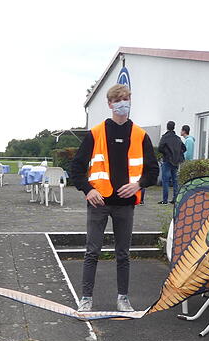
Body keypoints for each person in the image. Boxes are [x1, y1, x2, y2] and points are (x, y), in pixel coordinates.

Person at [70, 84, 159, 312]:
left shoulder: (140, 135)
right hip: (99, 202)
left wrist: (138, 185)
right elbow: (76, 168)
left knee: (123, 254)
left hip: (125, 205)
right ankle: (86, 298)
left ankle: (123, 298)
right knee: (92, 251)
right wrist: (88, 190)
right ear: (109, 104)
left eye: (126, 98)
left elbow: (152, 170)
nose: (122, 103)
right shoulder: (96, 133)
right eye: (118, 99)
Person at [158, 121, 186, 204]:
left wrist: (166, 153)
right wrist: (177, 154)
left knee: (165, 180)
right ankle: (175, 199)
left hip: (167, 160)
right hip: (176, 161)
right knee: (175, 180)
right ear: (174, 127)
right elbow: (184, 148)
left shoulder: (165, 137)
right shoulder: (178, 138)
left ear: (167, 127)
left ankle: (165, 200)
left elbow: (160, 148)